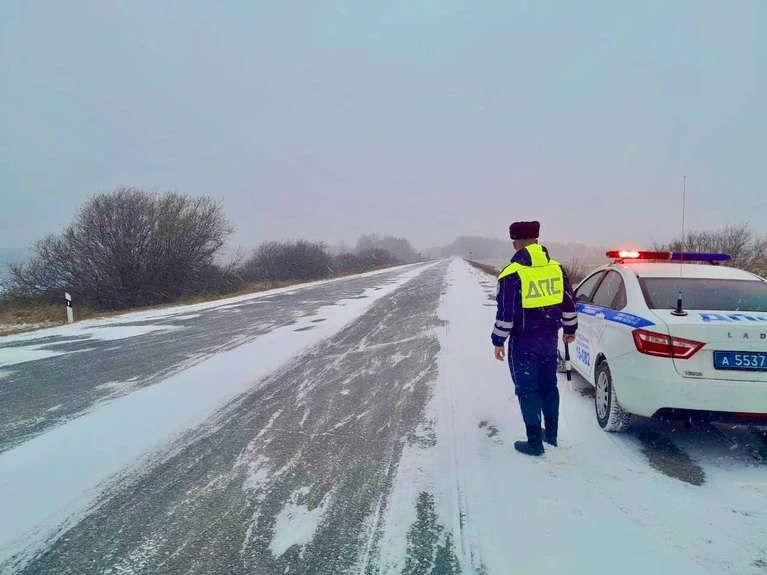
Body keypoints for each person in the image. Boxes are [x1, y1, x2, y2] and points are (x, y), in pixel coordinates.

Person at [491, 221, 578, 456]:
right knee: (549, 387)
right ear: (537, 241)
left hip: (523, 341)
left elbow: (505, 315)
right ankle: (552, 435)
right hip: (549, 339)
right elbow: (569, 303)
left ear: (515, 244)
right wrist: (570, 329)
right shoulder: (557, 268)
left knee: (527, 389)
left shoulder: (511, 274)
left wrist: (498, 341)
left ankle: (534, 443)